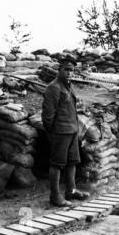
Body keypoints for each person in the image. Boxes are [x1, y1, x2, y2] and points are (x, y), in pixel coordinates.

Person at [42, 58, 90, 207]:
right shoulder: (54, 88)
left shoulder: (68, 86)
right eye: (66, 69)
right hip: (61, 132)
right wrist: (52, 131)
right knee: (57, 164)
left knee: (72, 162)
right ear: (59, 70)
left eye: (71, 70)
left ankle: (71, 191)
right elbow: (48, 114)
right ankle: (55, 197)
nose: (69, 73)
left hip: (72, 130)